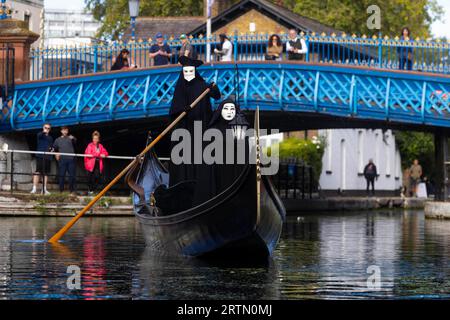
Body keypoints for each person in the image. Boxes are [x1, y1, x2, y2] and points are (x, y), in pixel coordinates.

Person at [168, 55, 221, 205]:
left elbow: (217, 96)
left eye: (191, 71)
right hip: (184, 132)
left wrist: (214, 89)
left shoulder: (202, 85)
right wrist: (181, 110)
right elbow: (173, 112)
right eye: (186, 71)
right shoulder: (180, 87)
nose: (188, 74)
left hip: (201, 130)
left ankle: (203, 192)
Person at [208, 98, 250, 194]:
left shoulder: (240, 127)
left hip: (235, 172)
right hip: (218, 172)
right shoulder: (213, 129)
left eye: (232, 109)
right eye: (226, 109)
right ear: (220, 110)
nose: (229, 112)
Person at [53, 126, 77, 194]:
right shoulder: (57, 140)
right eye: (63, 130)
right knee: (61, 175)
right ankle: (61, 191)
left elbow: (76, 142)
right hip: (62, 159)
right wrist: (56, 154)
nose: (65, 131)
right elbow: (53, 148)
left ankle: (72, 191)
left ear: (67, 131)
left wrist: (73, 138)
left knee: (72, 175)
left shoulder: (71, 138)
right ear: (61, 131)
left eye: (66, 130)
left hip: (71, 159)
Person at [31, 123, 54, 194]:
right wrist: (43, 132)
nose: (47, 129)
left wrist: (52, 149)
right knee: (37, 172)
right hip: (40, 156)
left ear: (50, 129)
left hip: (47, 157)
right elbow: (39, 135)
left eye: (48, 128)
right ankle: (34, 189)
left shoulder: (50, 138)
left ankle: (44, 189)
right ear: (43, 128)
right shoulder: (40, 135)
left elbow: (51, 147)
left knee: (45, 173)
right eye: (45, 128)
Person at [84, 131, 109, 195]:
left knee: (97, 177)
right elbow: (89, 153)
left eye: (96, 138)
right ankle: (90, 190)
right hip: (90, 165)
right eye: (94, 138)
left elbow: (106, 152)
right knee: (89, 178)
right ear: (92, 139)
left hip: (98, 164)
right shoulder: (90, 145)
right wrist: (99, 154)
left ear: (98, 139)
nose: (95, 140)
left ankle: (92, 190)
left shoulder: (100, 146)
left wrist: (105, 155)